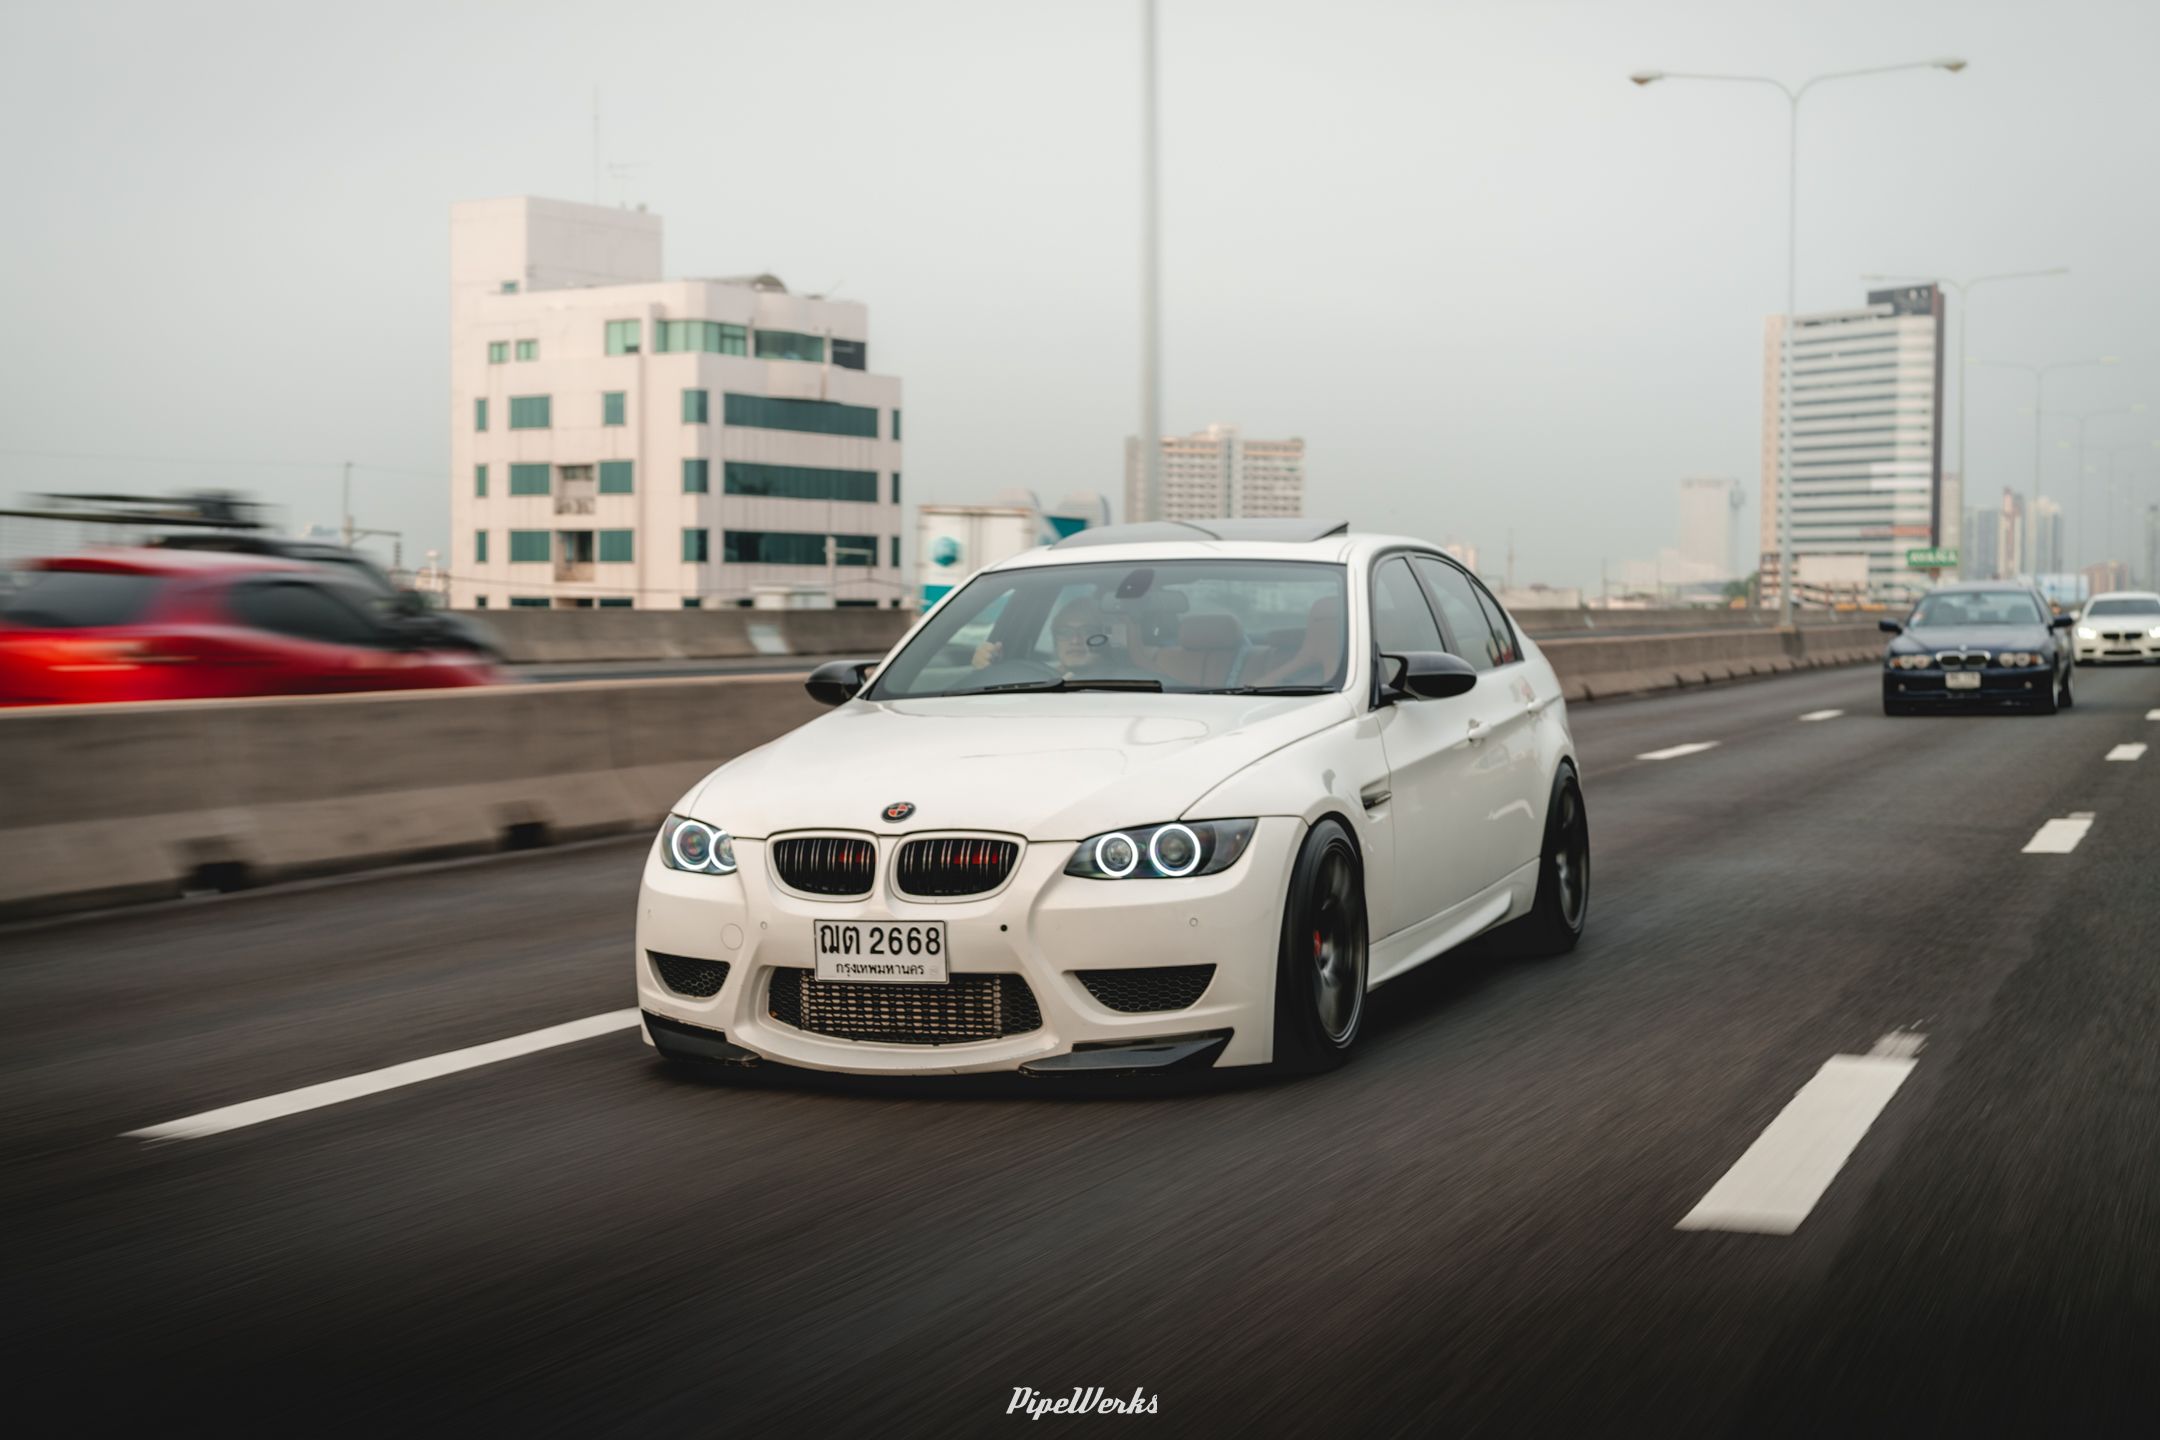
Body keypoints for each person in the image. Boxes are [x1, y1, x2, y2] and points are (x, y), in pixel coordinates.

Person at [972, 594, 1132, 678]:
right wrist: (986, 672)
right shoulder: (1030, 681)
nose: (1075, 640)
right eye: (1065, 632)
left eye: (1086, 631)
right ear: (1055, 641)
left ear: (1103, 639)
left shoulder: (1127, 684)